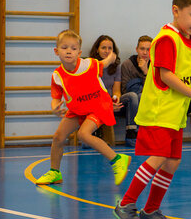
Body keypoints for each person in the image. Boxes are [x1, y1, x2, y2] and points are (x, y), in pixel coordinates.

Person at [113, 0, 191, 219]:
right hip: (159, 111)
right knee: (158, 157)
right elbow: (166, 75)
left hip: (175, 113)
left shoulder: (190, 38)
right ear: (176, 10)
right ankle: (126, 204)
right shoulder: (168, 38)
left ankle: (151, 210)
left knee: (173, 161)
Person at [35, 29, 132, 186]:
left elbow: (105, 63)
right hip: (77, 109)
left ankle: (118, 159)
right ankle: (54, 172)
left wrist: (112, 57)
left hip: (98, 106)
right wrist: (55, 108)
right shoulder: (57, 75)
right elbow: (55, 98)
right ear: (56, 51)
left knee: (83, 134)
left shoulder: (89, 65)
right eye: (64, 47)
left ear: (79, 52)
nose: (69, 51)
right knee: (58, 137)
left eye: (73, 49)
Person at [88, 34, 135, 144]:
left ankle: (131, 134)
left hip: (110, 100)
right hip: (96, 101)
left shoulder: (116, 66)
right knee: (87, 145)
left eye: (110, 48)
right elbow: (92, 92)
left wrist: (115, 99)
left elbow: (117, 90)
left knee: (132, 96)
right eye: (103, 48)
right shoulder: (91, 64)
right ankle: (93, 134)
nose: (107, 51)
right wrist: (108, 104)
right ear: (97, 50)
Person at [119, 35, 152, 147]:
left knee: (141, 95)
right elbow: (124, 90)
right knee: (134, 95)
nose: (145, 52)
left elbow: (155, 89)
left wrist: (145, 71)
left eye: (148, 49)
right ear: (136, 49)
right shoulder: (127, 64)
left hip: (145, 98)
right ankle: (131, 134)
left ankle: (144, 135)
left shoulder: (155, 65)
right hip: (128, 99)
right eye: (142, 49)